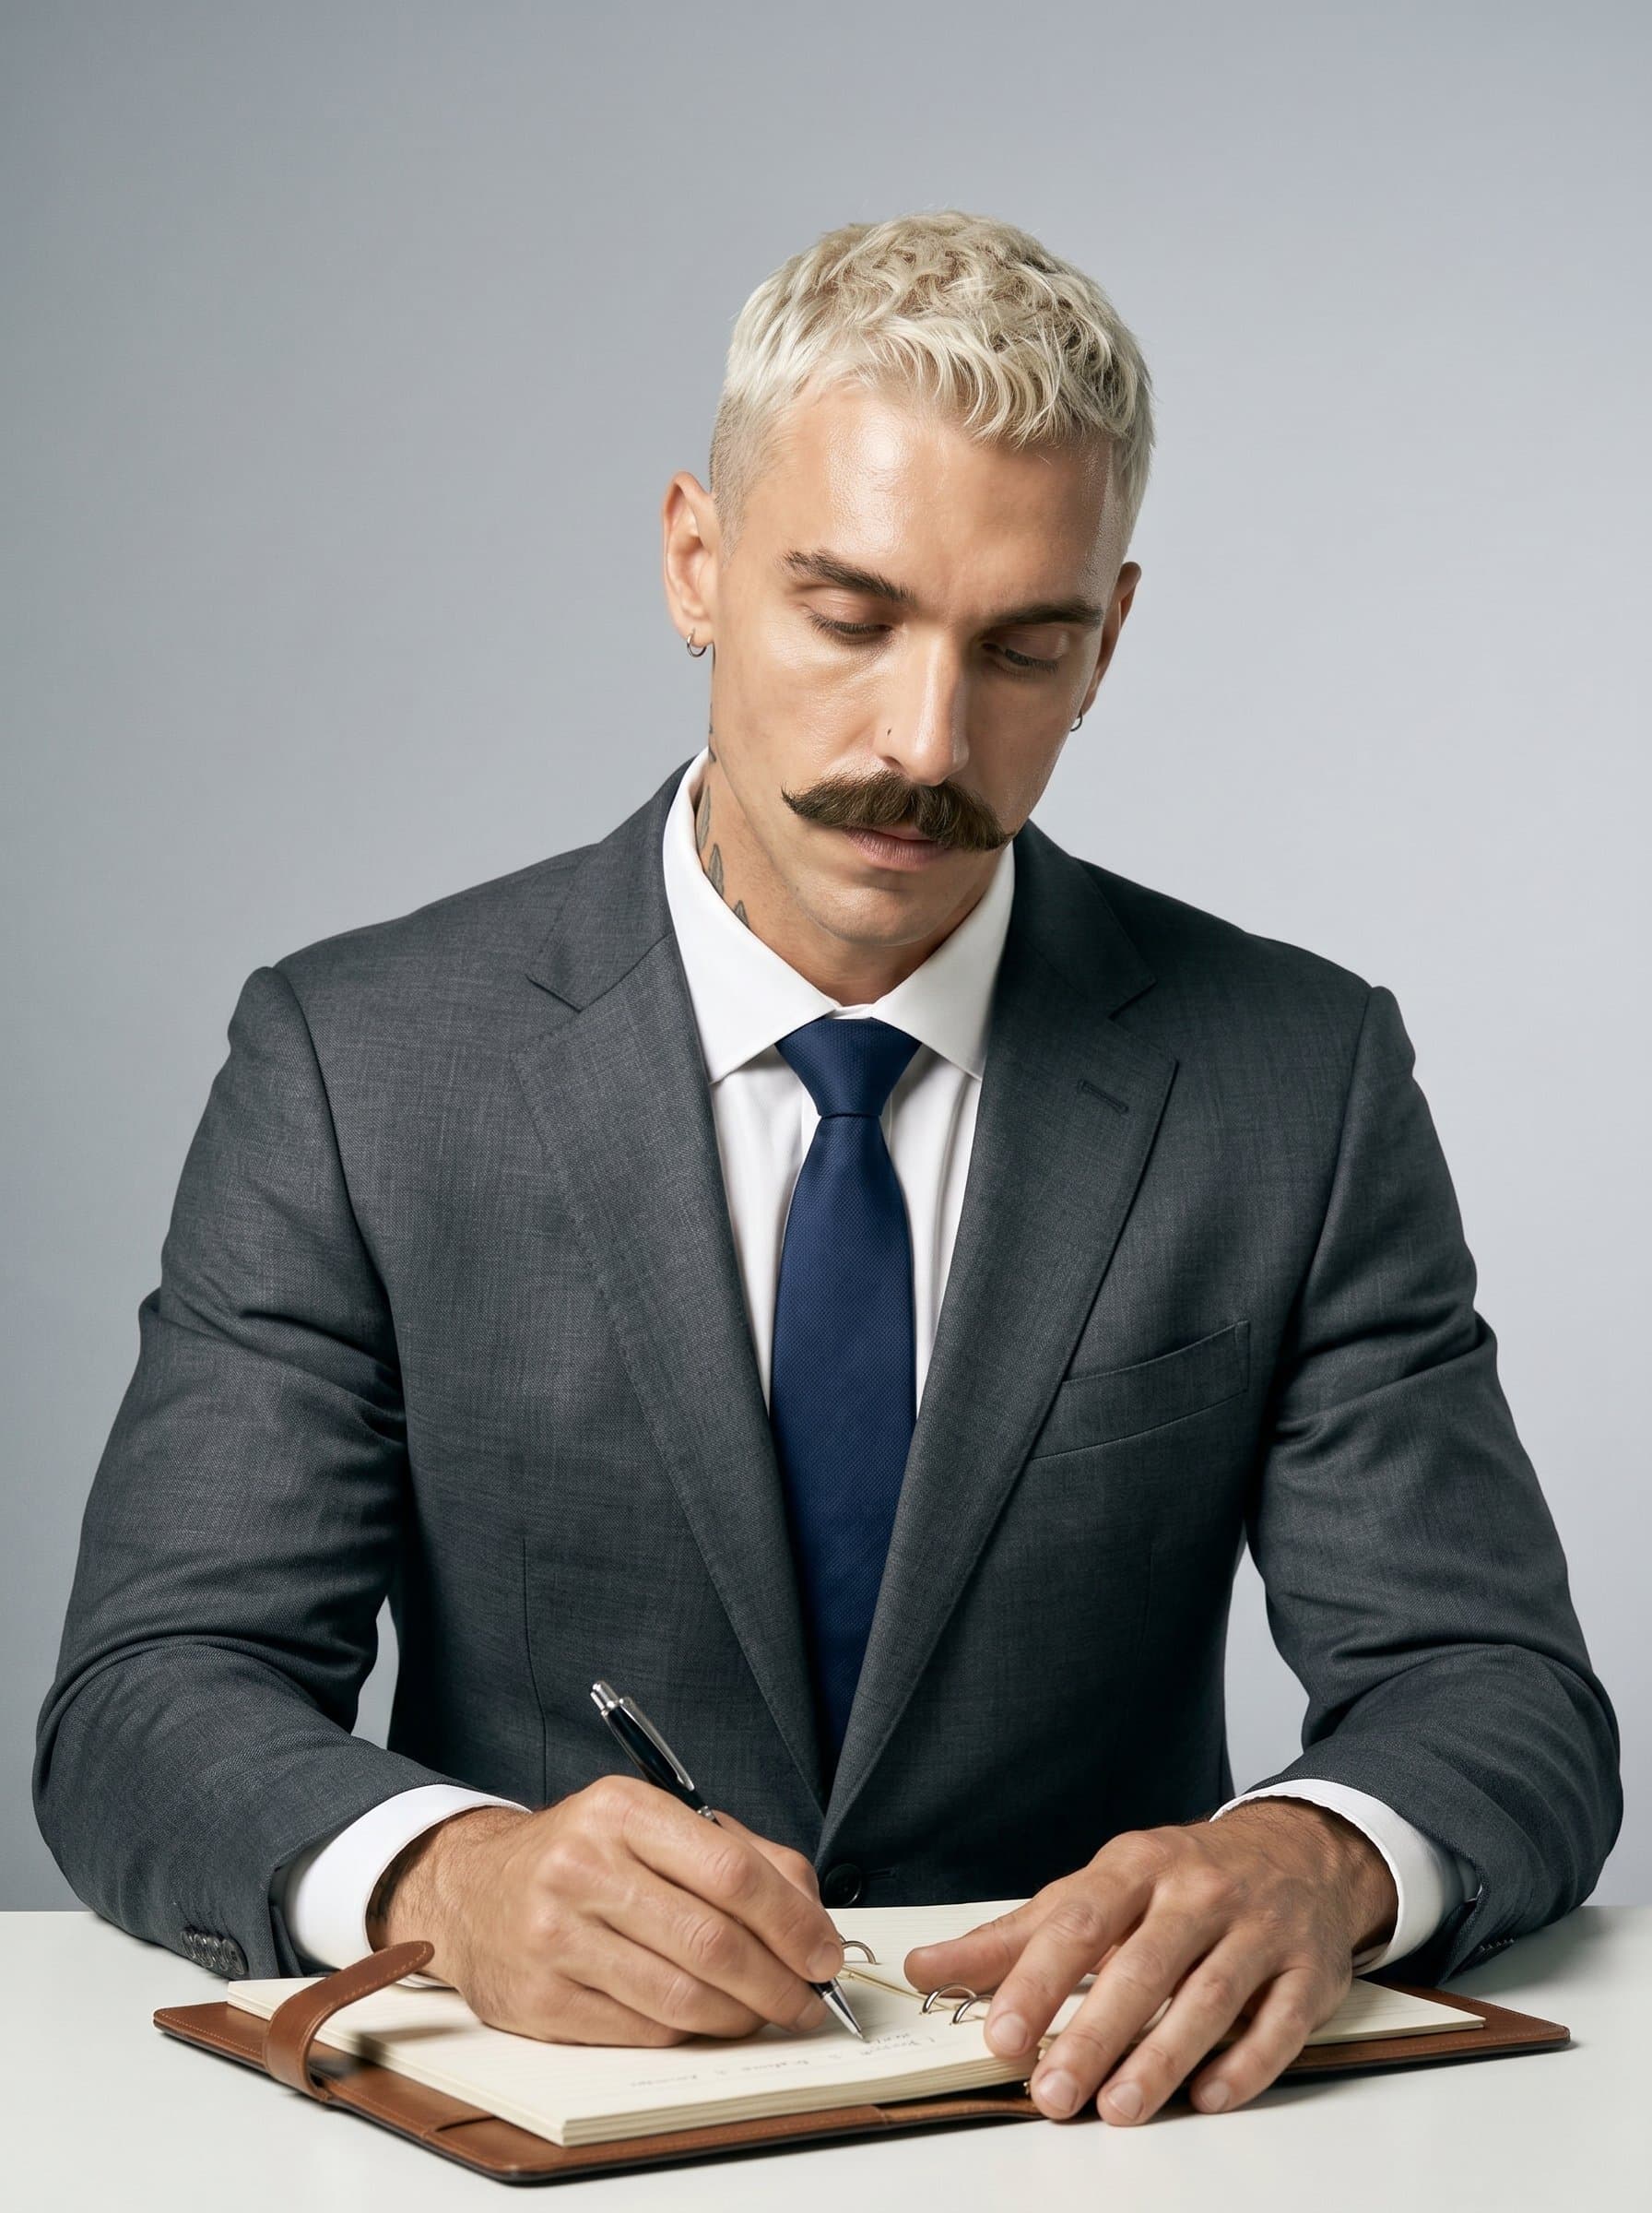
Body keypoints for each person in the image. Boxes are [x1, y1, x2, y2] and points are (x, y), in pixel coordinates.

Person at [35, 209, 1620, 2129]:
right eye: (848, 618)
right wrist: (445, 1880)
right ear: (695, 564)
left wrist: (1322, 1857)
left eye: (1021, 647)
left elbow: (1497, 1692)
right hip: (543, 2126)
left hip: (1098, 2142)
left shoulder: (1292, 1076)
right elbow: (147, 1703)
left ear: (1107, 638)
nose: (923, 744)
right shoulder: (360, 1064)